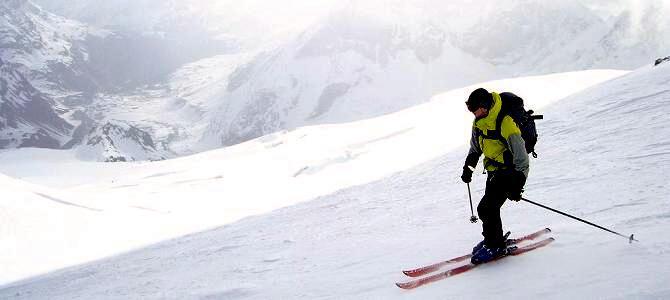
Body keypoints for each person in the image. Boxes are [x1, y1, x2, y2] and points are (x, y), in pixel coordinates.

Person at [460, 88, 529, 264]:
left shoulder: (505, 123)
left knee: (486, 208)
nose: (472, 113)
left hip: (509, 172)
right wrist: (468, 168)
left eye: (474, 109)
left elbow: (522, 158)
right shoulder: (478, 122)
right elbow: (476, 148)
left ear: (484, 107)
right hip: (493, 172)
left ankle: (495, 245)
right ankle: (493, 239)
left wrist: (517, 184)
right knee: (488, 208)